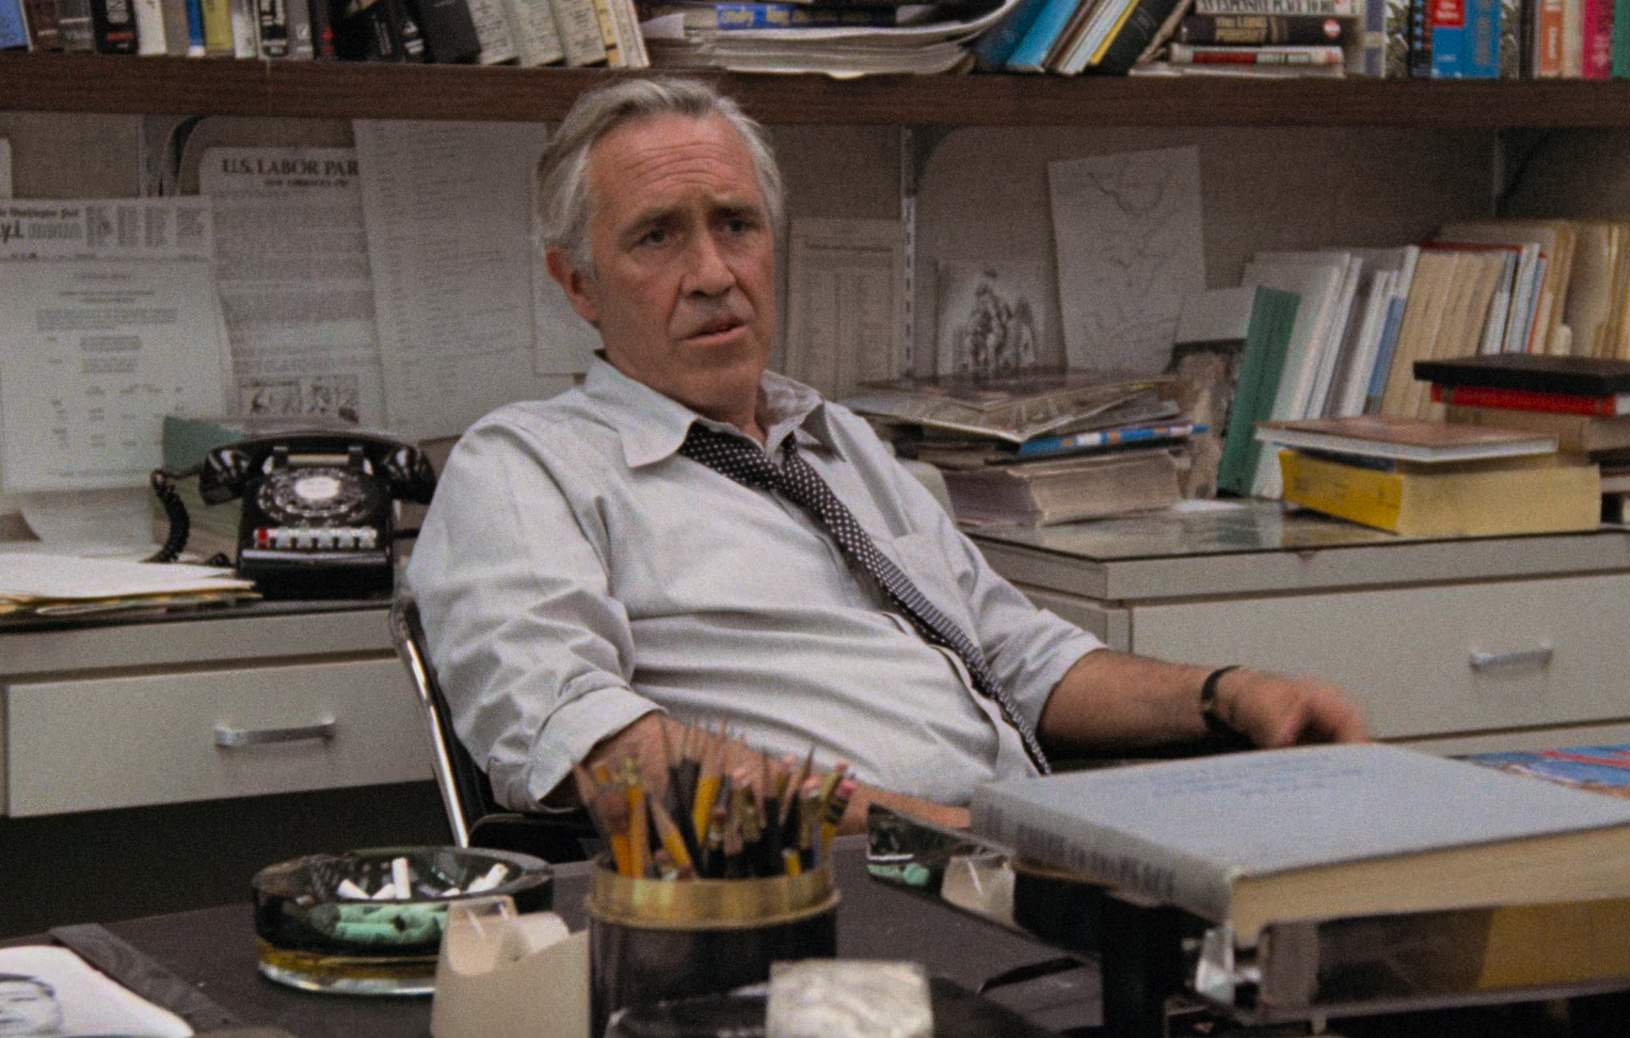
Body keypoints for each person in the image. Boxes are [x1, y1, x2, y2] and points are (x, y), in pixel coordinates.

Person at [405, 77, 1366, 835]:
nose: (713, 274)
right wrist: (931, 833)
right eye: (656, 237)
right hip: (820, 887)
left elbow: (1015, 654)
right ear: (577, 284)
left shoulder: (835, 439)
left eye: (736, 224)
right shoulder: (526, 468)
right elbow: (599, 754)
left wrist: (1228, 695)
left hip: (1010, 847)